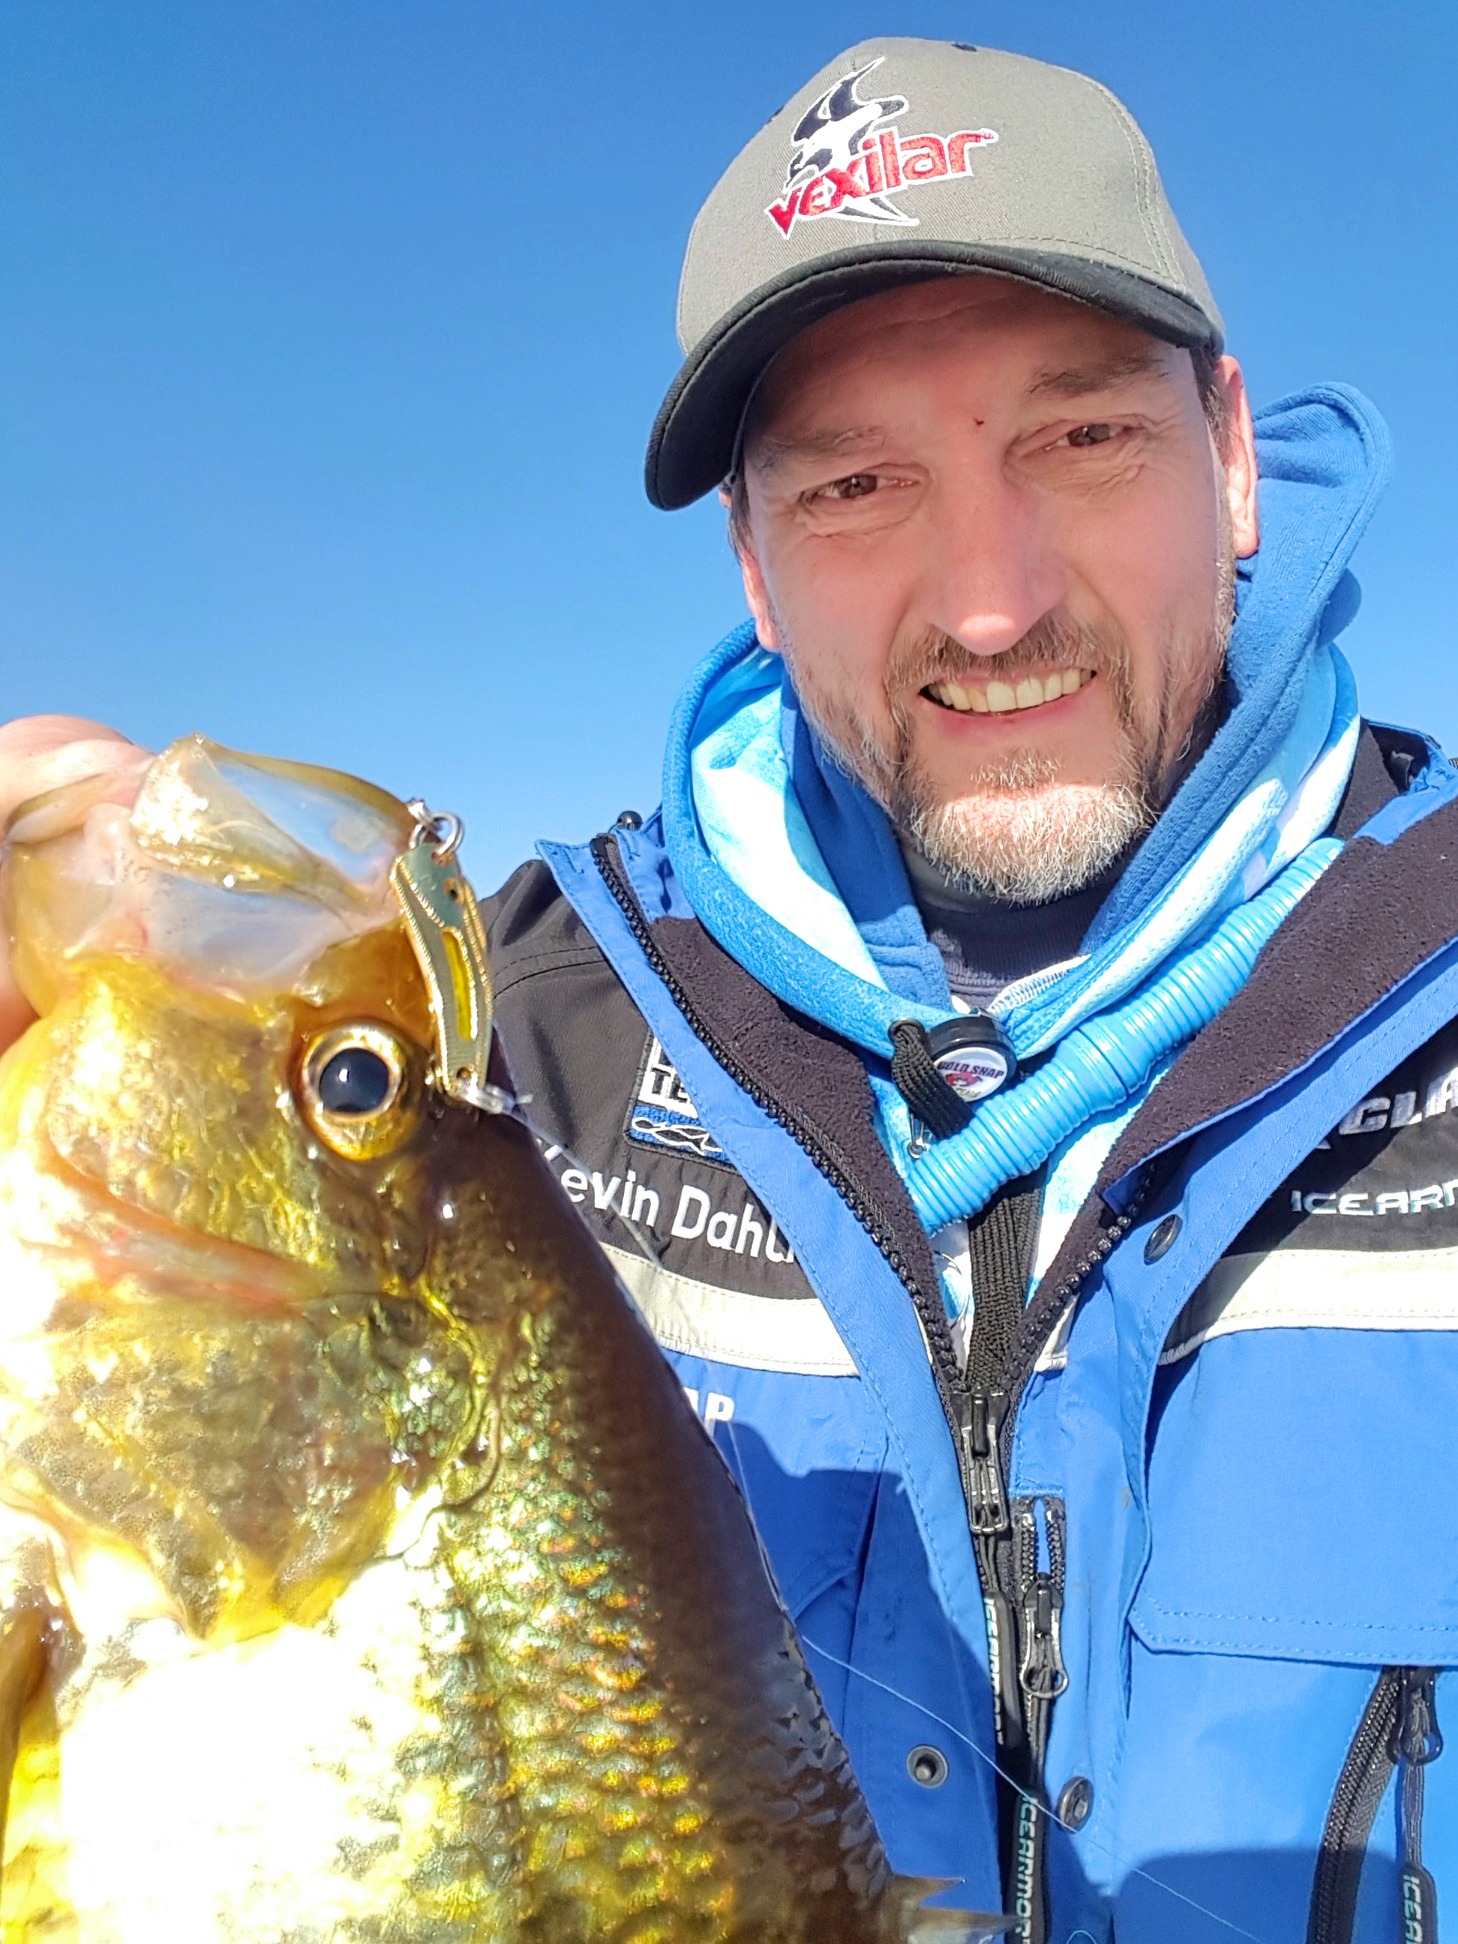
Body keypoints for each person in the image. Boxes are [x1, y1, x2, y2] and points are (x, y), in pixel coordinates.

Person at [3, 37, 1456, 1944]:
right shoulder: (504, 1063)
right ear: (755, 572)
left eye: (1081, 436)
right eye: (855, 483)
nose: (991, 596)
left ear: (1236, 454)